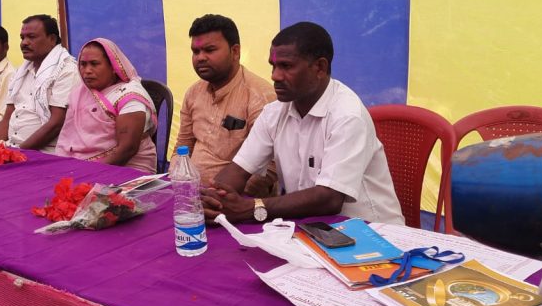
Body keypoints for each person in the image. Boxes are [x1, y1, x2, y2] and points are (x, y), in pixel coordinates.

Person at [201, 22, 404, 225]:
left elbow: (330, 199)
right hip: (311, 227)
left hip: (372, 231)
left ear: (320, 67)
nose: (275, 76)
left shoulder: (347, 116)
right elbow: (239, 170)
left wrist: (251, 208)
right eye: (273, 65)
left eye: (286, 66)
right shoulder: (274, 112)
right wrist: (213, 200)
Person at [175, 14, 278, 196]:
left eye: (210, 50)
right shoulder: (193, 92)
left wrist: (223, 196)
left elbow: (270, 165)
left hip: (236, 199)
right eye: (195, 51)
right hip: (191, 194)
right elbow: (183, 145)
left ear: (235, 51)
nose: (200, 58)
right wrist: (177, 181)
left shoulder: (259, 96)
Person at [56, 38, 157, 173]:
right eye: (83, 64)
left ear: (114, 67)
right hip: (81, 166)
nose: (87, 70)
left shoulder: (129, 97)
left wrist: (88, 172)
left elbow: (127, 150)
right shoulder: (80, 92)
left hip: (128, 169)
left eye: (94, 64)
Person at [0, 15, 79, 153]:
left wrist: (17, 153)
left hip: (47, 153)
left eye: (31, 37)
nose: (24, 43)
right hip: (12, 148)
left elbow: (56, 123)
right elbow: (7, 118)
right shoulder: (20, 72)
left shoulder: (67, 70)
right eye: (22, 38)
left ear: (52, 39)